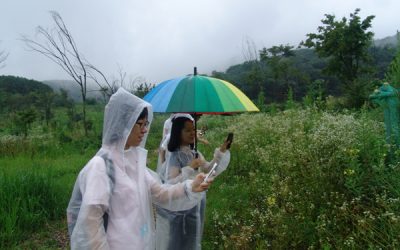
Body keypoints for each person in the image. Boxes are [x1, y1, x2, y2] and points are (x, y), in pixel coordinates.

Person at [66, 88, 212, 250]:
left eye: (146, 124)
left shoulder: (133, 161)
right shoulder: (101, 166)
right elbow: (90, 227)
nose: (145, 130)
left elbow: (160, 193)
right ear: (123, 124)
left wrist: (190, 187)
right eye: (140, 124)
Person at [155, 116, 231, 250]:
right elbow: (170, 183)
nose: (192, 133)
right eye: (188, 130)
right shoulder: (175, 155)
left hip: (197, 202)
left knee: (193, 238)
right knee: (177, 240)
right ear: (178, 132)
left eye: (193, 129)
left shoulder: (195, 153)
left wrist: (221, 151)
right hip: (180, 208)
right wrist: (189, 168)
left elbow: (208, 169)